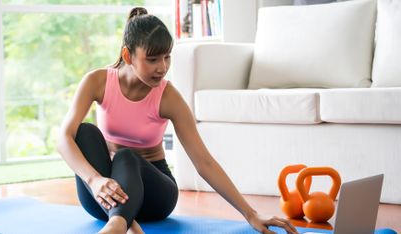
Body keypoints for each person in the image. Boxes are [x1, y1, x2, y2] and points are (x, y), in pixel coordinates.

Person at [57, 7, 298, 234]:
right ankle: (123, 221)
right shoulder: (97, 81)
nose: (162, 68)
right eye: (152, 59)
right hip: (102, 196)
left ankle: (120, 225)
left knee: (125, 155)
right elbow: (63, 139)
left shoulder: (168, 97)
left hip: (154, 197)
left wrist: (250, 214)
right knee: (85, 131)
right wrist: (95, 180)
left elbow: (204, 163)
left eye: (167, 57)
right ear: (127, 55)